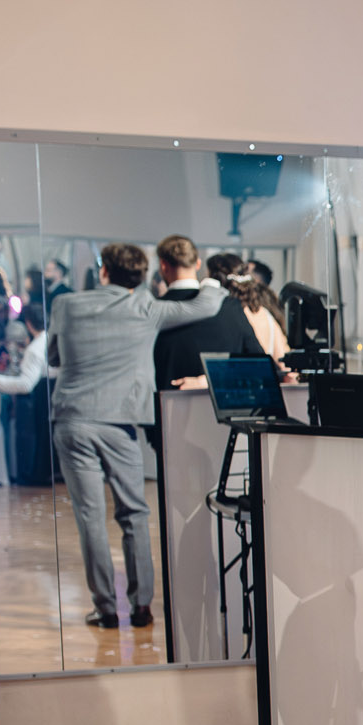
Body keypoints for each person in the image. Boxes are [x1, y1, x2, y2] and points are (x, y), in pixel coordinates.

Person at [46, 242, 225, 629]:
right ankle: (142, 604)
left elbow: (53, 357)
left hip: (72, 419)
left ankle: (106, 608)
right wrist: (212, 280)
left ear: (103, 272)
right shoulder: (145, 307)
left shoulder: (65, 305)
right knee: (134, 513)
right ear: (143, 275)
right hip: (120, 422)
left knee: (90, 517)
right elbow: (207, 305)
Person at [153, 241, 265, 387]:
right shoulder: (230, 307)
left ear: (163, 265)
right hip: (219, 399)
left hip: (166, 399)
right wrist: (208, 381)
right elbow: (258, 364)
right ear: (198, 264)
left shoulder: (153, 312)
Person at [0, 301, 54, 486]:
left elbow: (25, 385)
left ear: (29, 323)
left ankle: (28, 477)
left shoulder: (35, 348)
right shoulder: (49, 341)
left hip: (31, 405)